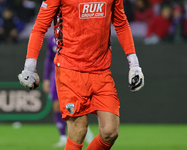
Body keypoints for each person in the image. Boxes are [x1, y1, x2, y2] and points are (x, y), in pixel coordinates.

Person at [18, 0, 144, 149]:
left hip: (101, 70)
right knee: (79, 129)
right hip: (70, 70)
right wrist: (29, 67)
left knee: (110, 132)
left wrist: (134, 65)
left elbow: (121, 23)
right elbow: (40, 26)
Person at [43, 35, 94, 147]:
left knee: (74, 106)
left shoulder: (74, 36)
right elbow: (49, 59)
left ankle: (85, 130)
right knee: (57, 106)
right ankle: (62, 137)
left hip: (72, 74)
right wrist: (46, 78)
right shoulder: (51, 39)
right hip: (56, 75)